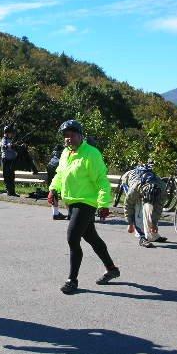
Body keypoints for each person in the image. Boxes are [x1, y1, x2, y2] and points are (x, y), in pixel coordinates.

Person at [48, 119, 120, 294]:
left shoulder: (91, 154)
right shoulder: (66, 153)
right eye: (65, 136)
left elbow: (102, 181)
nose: (68, 139)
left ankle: (72, 280)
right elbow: (60, 174)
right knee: (92, 238)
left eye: (72, 135)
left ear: (80, 135)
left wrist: (103, 204)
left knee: (73, 238)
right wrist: (52, 189)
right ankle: (111, 269)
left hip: (86, 202)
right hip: (71, 201)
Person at [123, 163, 167, 248]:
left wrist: (154, 224)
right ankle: (142, 237)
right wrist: (130, 223)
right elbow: (128, 205)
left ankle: (153, 235)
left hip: (146, 187)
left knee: (150, 210)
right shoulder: (134, 189)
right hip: (128, 181)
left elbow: (158, 209)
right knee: (138, 210)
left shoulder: (162, 189)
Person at [46, 144, 67, 220]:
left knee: (53, 192)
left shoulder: (54, 152)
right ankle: (70, 213)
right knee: (66, 191)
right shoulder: (64, 152)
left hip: (50, 166)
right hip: (57, 167)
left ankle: (55, 213)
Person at [1, 125, 19, 197]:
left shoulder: (11, 140)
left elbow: (15, 148)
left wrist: (16, 146)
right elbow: (4, 147)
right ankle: (8, 191)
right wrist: (9, 146)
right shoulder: (4, 139)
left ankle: (13, 191)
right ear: (7, 133)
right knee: (7, 175)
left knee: (12, 175)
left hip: (12, 160)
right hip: (6, 160)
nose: (12, 134)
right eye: (10, 133)